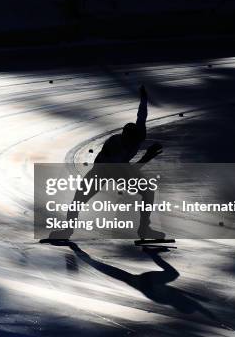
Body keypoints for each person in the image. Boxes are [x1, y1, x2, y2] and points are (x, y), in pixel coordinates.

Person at [50, 85, 164, 240]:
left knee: (148, 192)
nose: (130, 144)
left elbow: (141, 115)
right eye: (127, 141)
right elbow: (126, 171)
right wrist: (146, 157)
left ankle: (144, 229)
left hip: (119, 168)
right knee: (79, 199)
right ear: (123, 138)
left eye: (133, 142)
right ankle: (67, 231)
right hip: (102, 170)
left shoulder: (139, 135)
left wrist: (144, 98)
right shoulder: (115, 144)